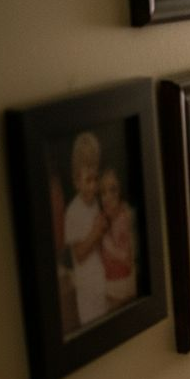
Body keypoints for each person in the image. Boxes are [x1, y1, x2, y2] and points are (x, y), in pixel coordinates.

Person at [62, 131, 109, 328]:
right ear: (76, 181)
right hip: (87, 291)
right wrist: (96, 232)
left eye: (96, 179)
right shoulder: (73, 212)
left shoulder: (96, 204)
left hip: (102, 284)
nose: (93, 186)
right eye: (88, 180)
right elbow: (79, 254)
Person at [98, 167, 138, 308]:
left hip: (122, 291)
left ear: (121, 191)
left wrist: (106, 241)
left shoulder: (125, 216)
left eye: (113, 190)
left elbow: (127, 259)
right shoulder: (104, 217)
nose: (107, 197)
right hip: (109, 289)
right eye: (103, 192)